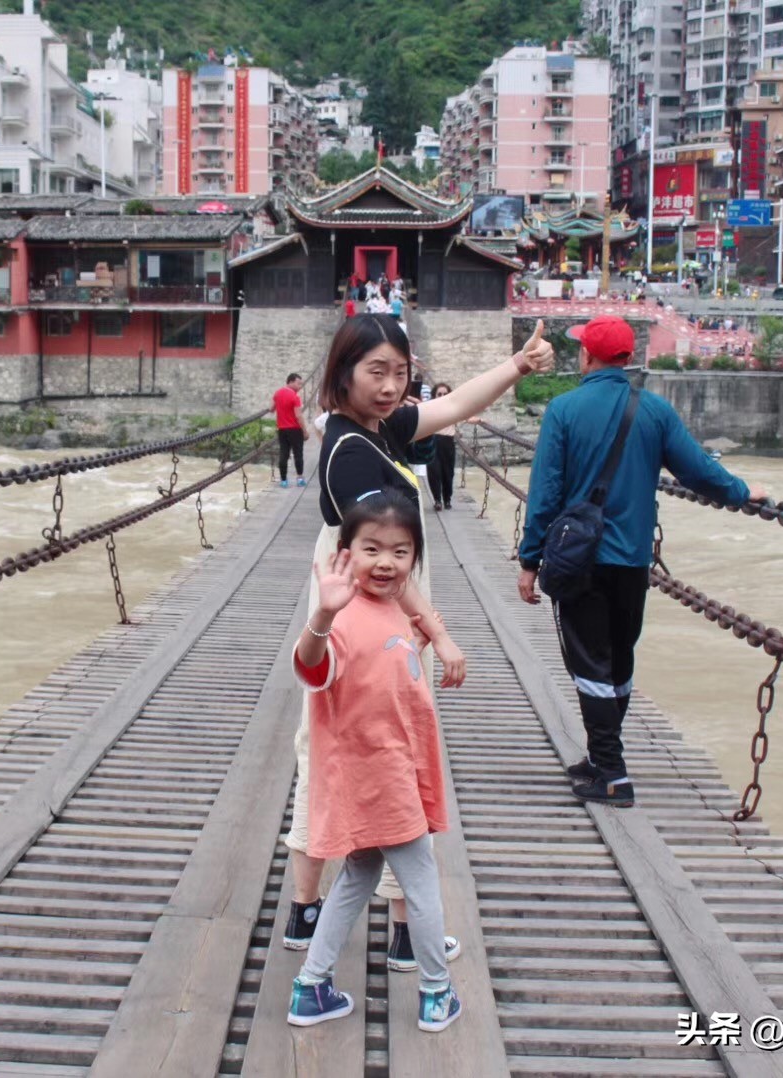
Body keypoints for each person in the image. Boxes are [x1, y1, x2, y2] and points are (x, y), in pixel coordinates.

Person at [282, 312, 555, 963]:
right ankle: (405, 931)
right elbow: (382, 563)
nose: (389, 385)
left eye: (399, 372)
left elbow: (456, 404)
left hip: (376, 620)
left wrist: (516, 366)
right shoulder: (349, 454)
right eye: (375, 370)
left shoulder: (381, 431)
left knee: (333, 748)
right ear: (340, 373)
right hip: (371, 627)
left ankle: (305, 913)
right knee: (385, 755)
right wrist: (437, 628)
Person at [516, 315, 766, 808]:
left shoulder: (563, 410)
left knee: (589, 662)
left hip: (580, 560)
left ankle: (611, 773)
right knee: (618, 661)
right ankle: (600, 757)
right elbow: (697, 470)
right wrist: (741, 492)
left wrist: (530, 559)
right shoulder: (654, 411)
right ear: (628, 360)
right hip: (631, 560)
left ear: (586, 357)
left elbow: (544, 493)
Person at [287, 489, 461, 1033]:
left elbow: (390, 670)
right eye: (371, 549)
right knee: (422, 883)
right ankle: (436, 991)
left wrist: (435, 637)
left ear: (414, 559)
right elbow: (312, 667)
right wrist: (321, 610)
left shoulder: (389, 611)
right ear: (345, 553)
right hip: (381, 779)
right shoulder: (339, 618)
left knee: (357, 876)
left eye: (401, 551)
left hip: (382, 772)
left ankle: (311, 986)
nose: (386, 562)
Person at [273, 372, 310, 488]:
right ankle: (300, 479)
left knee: (284, 454)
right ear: (291, 382)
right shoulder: (295, 397)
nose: (300, 387)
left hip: (282, 429)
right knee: (298, 454)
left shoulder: (277, 393)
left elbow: (271, 408)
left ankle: (283, 480)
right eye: (298, 384)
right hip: (294, 429)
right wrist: (305, 431)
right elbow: (298, 416)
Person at [425, 383, 456, 511]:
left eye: (445, 394)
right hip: (432, 442)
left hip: (448, 443)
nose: (442, 396)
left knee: (448, 473)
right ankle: (437, 500)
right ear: (434, 395)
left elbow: (467, 416)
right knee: (433, 472)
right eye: (439, 394)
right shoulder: (428, 408)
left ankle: (447, 499)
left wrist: (480, 421)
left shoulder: (455, 409)